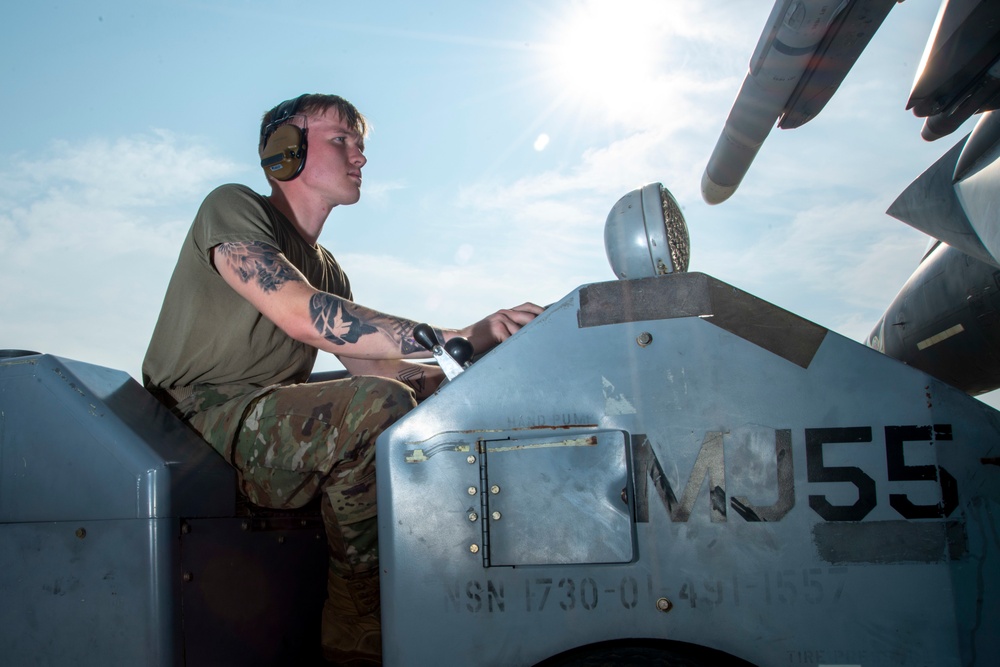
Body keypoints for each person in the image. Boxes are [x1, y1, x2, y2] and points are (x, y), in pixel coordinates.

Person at [142, 93, 541, 666]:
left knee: (409, 401)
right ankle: (359, 628)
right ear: (286, 152)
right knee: (378, 406)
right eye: (341, 140)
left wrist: (484, 342)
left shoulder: (329, 267)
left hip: (261, 418)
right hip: (195, 421)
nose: (359, 156)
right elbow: (301, 313)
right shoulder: (233, 207)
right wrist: (446, 333)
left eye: (360, 144)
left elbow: (381, 371)